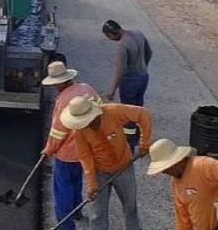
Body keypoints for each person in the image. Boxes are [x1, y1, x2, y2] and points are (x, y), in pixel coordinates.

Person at [60, 96, 152, 230]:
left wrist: (145, 144)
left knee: (130, 208)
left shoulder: (113, 111)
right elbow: (85, 157)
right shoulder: (79, 131)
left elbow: (144, 114)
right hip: (100, 172)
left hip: (124, 167)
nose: (84, 125)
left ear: (93, 115)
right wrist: (92, 184)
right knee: (97, 214)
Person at [40, 61, 102, 229]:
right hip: (86, 151)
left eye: (55, 84)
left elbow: (58, 131)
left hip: (67, 153)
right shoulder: (87, 89)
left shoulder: (63, 100)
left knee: (62, 189)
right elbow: (100, 109)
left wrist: (49, 149)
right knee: (77, 182)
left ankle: (64, 225)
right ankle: (76, 211)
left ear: (61, 82)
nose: (54, 87)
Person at [147, 138, 218, 230]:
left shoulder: (201, 165)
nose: (163, 172)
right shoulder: (175, 182)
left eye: (165, 168)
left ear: (176, 161)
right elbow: (183, 218)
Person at [102, 19, 152, 152]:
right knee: (138, 108)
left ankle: (129, 143)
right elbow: (149, 53)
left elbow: (120, 71)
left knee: (128, 113)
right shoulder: (138, 34)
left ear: (111, 34)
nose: (110, 40)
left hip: (130, 81)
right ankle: (139, 135)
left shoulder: (121, 47)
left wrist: (111, 91)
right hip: (143, 77)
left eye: (109, 37)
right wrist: (143, 68)